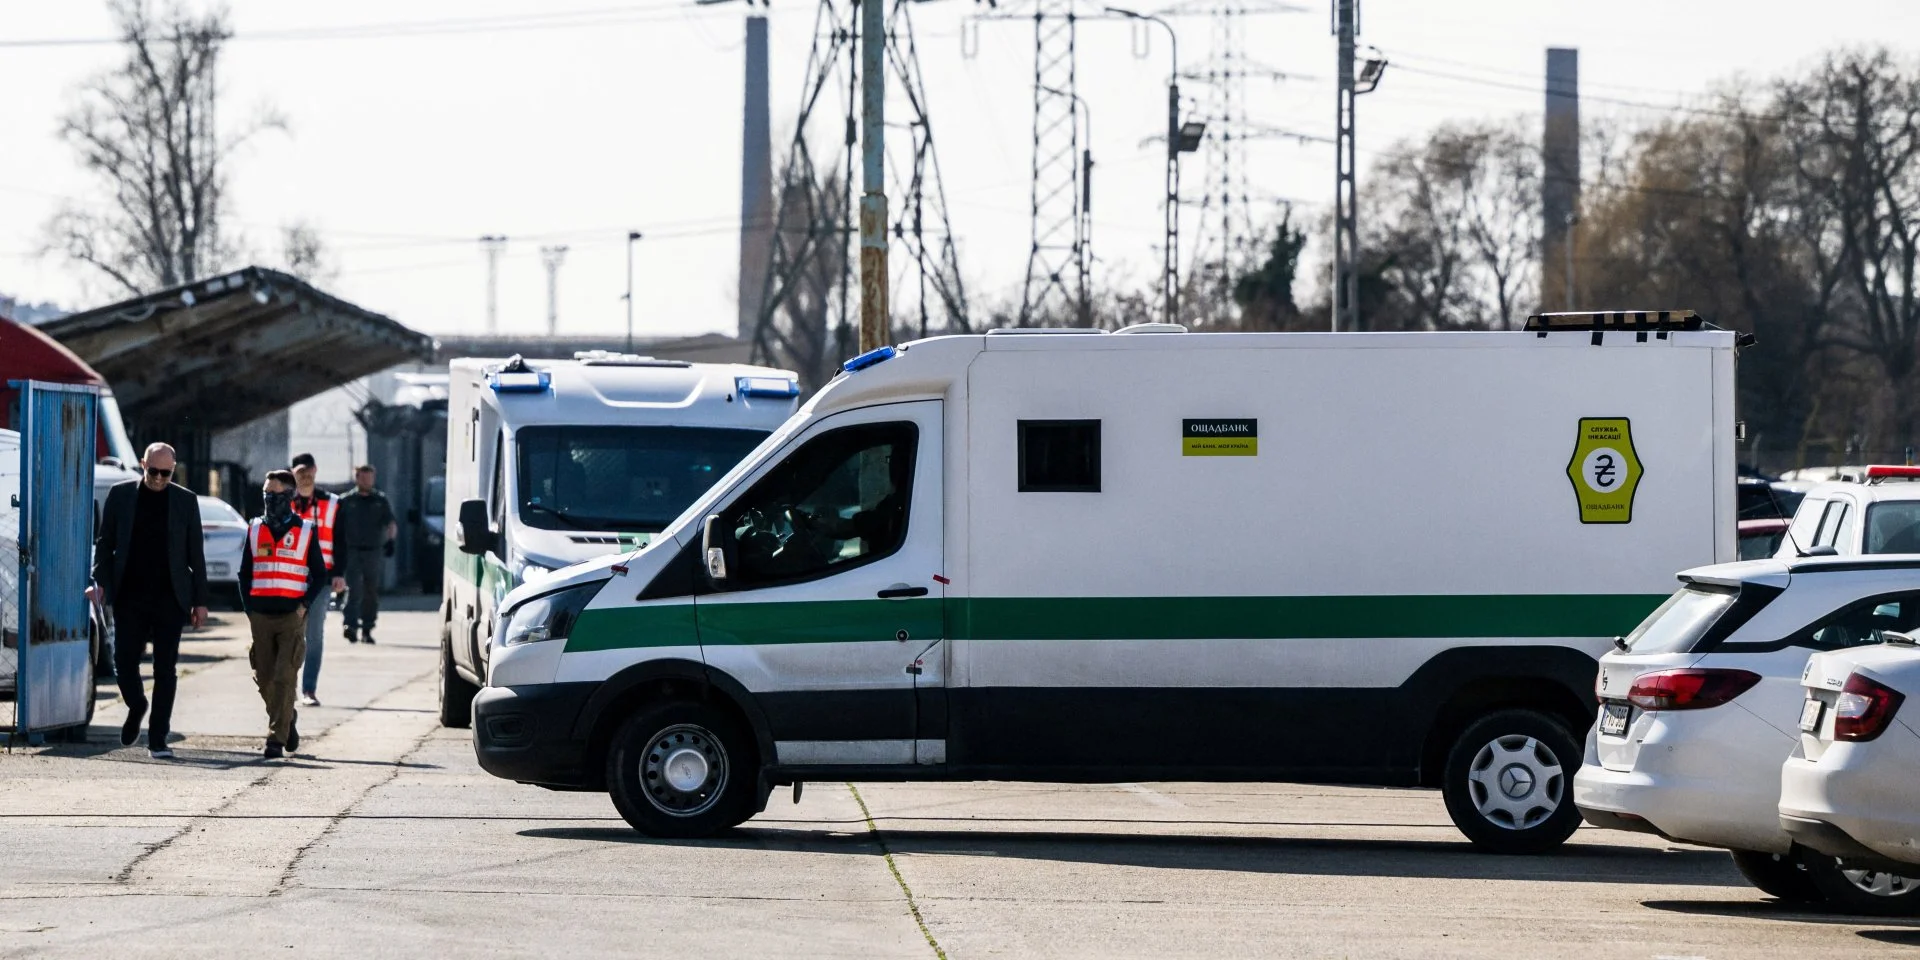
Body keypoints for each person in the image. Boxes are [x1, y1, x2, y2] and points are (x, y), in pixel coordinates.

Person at [87, 442, 210, 760]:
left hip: (171, 596)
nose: (158, 478)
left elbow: (196, 552)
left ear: (174, 469)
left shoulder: (185, 501)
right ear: (142, 464)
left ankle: (158, 738)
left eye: (165, 473)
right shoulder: (121, 495)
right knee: (123, 662)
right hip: (129, 594)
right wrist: (101, 580)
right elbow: (105, 543)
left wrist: (200, 601)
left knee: (165, 669)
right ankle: (137, 705)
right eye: (152, 471)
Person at [239, 469, 326, 760]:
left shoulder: (305, 530)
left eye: (275, 495)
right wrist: (249, 609)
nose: (269, 499)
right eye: (266, 494)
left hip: (291, 616)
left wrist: (304, 606)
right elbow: (244, 574)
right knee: (264, 679)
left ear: (289, 496)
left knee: (284, 677)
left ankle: (275, 740)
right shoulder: (254, 528)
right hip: (260, 616)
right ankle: (287, 720)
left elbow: (320, 575)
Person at [289, 453, 342, 706]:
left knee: (315, 635)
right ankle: (287, 686)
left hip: (321, 579)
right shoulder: (285, 502)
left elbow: (341, 540)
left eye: (309, 470)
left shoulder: (332, 503)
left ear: (316, 470)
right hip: (290, 578)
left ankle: (308, 689)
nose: (305, 475)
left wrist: (340, 574)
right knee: (289, 633)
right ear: (293, 472)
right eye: (300, 471)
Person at [335, 464, 396, 645]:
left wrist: (391, 541)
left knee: (371, 590)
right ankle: (350, 625)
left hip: (373, 551)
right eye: (363, 478)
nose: (367, 481)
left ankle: (367, 628)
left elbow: (391, 523)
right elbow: (336, 526)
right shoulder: (346, 501)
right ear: (357, 479)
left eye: (370, 478)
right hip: (352, 550)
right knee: (353, 588)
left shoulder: (380, 500)